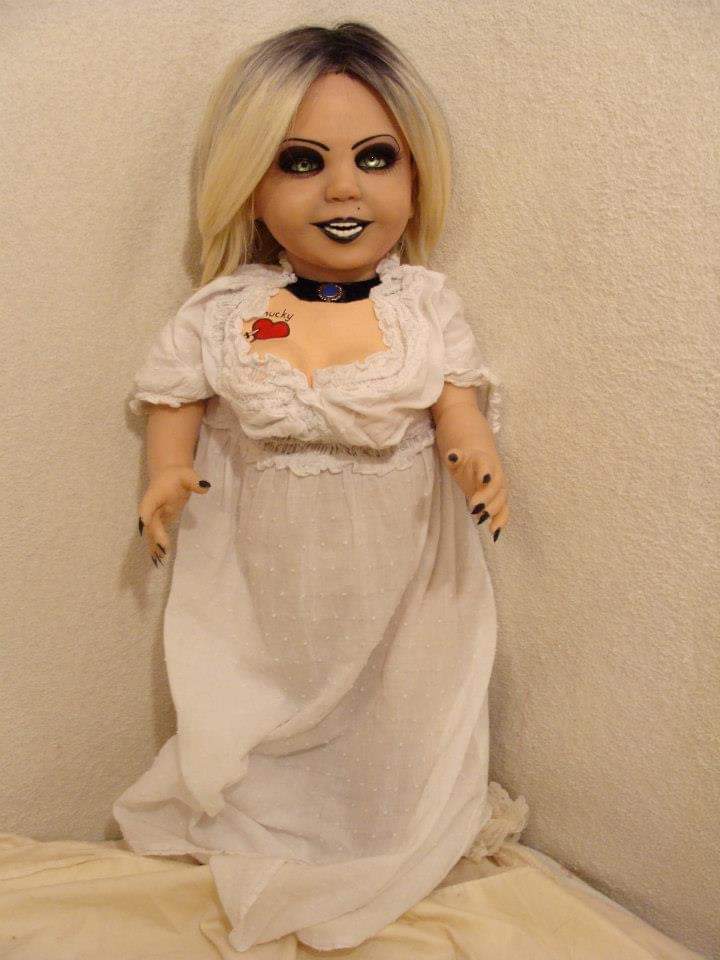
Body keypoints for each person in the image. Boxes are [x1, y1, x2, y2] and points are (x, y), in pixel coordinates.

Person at [113, 20, 518, 953]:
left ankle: (380, 822)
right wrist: (167, 472)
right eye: (302, 161)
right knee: (257, 692)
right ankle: (280, 815)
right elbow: (178, 397)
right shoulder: (231, 314)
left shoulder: (421, 309)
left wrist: (477, 458)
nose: (344, 189)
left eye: (376, 158)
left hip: (403, 570)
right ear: (252, 185)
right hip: (259, 567)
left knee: (402, 701)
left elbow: (458, 408)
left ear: (415, 176)